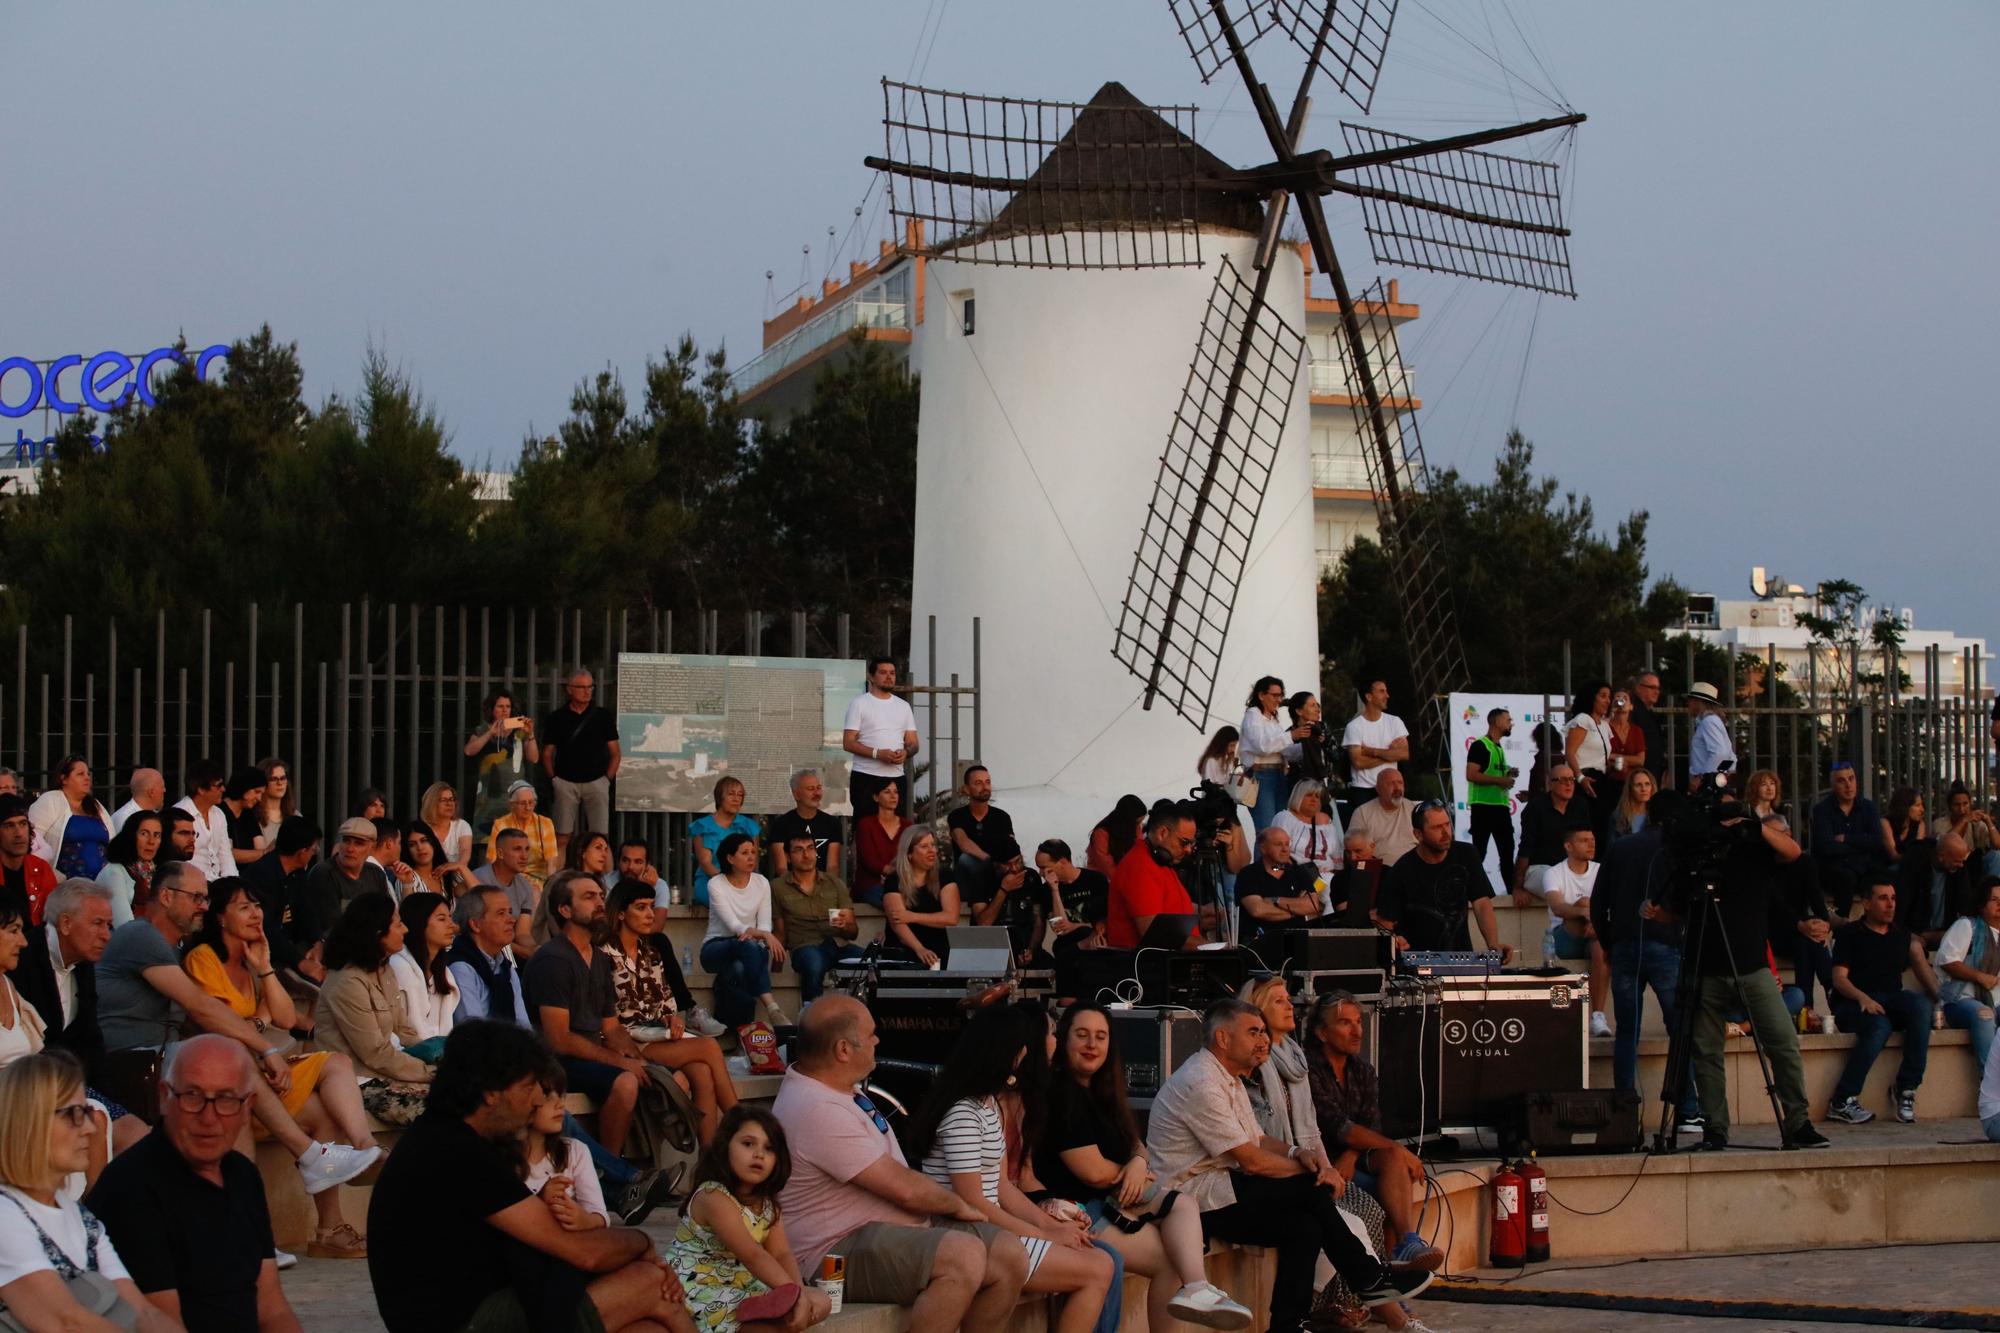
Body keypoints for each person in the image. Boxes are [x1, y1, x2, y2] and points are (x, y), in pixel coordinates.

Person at [365, 1020, 694, 1333]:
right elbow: (584, 1252)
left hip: (474, 1306)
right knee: (648, 1281)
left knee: (648, 1327)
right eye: (527, 1086)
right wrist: (643, 1243)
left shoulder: (449, 1138)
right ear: (491, 1092)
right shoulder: (454, 1150)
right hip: (460, 1323)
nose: (537, 1099)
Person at [96, 862, 383, 1214]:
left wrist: (263, 968)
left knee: (316, 1106)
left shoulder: (176, 948)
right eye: (196, 897)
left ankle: (320, 1224)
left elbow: (285, 1016)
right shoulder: (144, 937)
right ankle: (304, 1161)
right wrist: (264, 1046)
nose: (203, 904)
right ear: (166, 896)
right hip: (135, 1063)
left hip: (168, 1058)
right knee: (229, 1060)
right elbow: (200, 1007)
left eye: (205, 897)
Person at [1146, 999, 1429, 1333]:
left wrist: (1297, 1152)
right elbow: (1252, 1160)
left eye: (1264, 1032)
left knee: (1304, 1227)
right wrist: (1316, 1171)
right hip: (1191, 1202)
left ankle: (1289, 1324)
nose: (1263, 1040)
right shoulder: (1202, 1082)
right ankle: (1368, 1278)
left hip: (1219, 1189)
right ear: (1223, 1039)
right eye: (1253, 1032)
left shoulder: (1229, 1077)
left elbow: (1259, 1140)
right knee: (1311, 1191)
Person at [771, 994, 1027, 1331]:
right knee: (962, 1257)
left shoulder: (839, 1088)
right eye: (871, 1034)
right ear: (843, 1050)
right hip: (831, 1251)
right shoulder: (814, 1106)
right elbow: (904, 1188)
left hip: (887, 1230)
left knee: (1010, 1255)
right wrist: (958, 1205)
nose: (878, 1040)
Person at [181, 875, 381, 1258]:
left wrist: (266, 968)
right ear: (220, 918)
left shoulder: (252, 959)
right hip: (222, 1083)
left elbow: (286, 1018)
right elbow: (222, 1026)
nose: (256, 914)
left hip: (257, 1075)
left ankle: (357, 1165)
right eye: (244, 907)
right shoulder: (203, 959)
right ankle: (320, 1211)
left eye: (257, 905)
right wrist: (258, 1021)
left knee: (331, 1085)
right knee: (323, 1099)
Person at [1035, 1002, 1252, 1332]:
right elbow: (1092, 1172)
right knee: (1172, 1231)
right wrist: (1134, 1175)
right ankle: (1197, 1288)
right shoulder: (1062, 1095)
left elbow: (1136, 1143)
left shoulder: (1103, 1093)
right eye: (1082, 1035)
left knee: (1177, 1237)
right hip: (1077, 1209)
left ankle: (1196, 1288)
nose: (1092, 1045)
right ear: (1064, 1040)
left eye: (1100, 1037)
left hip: (1112, 1199)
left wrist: (1137, 1162)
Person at [908, 1008, 1114, 1333]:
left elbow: (1004, 1187)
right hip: (965, 1233)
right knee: (1097, 1268)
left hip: (990, 1227)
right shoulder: (963, 1112)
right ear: (1014, 1052)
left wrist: (1052, 1225)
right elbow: (972, 1202)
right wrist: (1045, 1234)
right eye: (1048, 1035)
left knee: (1101, 1260)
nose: (1051, 1043)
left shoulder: (988, 1104)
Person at [86, 1035, 305, 1331]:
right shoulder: (131, 1188)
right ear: (164, 1097)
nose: (209, 1117)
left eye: (226, 1099)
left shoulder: (242, 1175)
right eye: (193, 1096)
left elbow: (272, 1309)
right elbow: (162, 1321)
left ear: (247, 1107)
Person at [1666, 798, 1828, 1151]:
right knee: (1706, 1053)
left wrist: (1753, 827)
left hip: (1752, 967)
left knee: (1783, 1043)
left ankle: (1797, 1122)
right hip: (1704, 968)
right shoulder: (1694, 859)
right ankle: (1715, 1128)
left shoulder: (1754, 853)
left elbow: (1793, 852)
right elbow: (1673, 911)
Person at [0, 1051, 177, 1333]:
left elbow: (142, 1310)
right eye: (75, 1114)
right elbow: (66, 1323)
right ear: (30, 1121)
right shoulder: (5, 1216)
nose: (92, 1128)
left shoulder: (81, 1218)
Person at [1303, 992, 1444, 1273]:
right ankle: (1391, 1275)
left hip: (1351, 1160)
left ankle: (1406, 1244)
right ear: (1321, 1032)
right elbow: (1337, 1127)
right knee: (1394, 1165)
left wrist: (1353, 1155)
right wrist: (1398, 1149)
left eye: (1358, 1021)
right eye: (1345, 1023)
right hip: (1318, 1162)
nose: (1357, 1031)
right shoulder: (1308, 1069)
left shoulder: (1363, 1070)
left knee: (1393, 1163)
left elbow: (1370, 1126)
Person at [1589, 791, 1702, 1129]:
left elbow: (1598, 901)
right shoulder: (1676, 850)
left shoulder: (1621, 847)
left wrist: (1610, 941)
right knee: (1679, 1029)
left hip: (1624, 946)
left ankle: (1625, 1112)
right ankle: (1688, 1109)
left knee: (1627, 1032)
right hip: (1665, 945)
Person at [666, 1105, 833, 1333]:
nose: (759, 1154)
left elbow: (781, 1253)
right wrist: (793, 1296)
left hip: (742, 1283)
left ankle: (766, 1316)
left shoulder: (767, 1204)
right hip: (701, 1286)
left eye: (769, 1148)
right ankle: (761, 1321)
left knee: (821, 1301)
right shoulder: (713, 1196)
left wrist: (797, 1294)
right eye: (748, 1144)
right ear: (725, 1147)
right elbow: (752, 1254)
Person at [605, 879, 740, 1144]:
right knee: (710, 1048)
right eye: (640, 907)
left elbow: (665, 1003)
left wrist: (671, 1019)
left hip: (654, 1034)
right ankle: (740, 1123)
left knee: (702, 1072)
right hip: (625, 1043)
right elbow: (609, 1015)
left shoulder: (651, 952)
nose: (649, 914)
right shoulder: (604, 954)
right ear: (620, 913)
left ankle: (708, 1163)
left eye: (652, 907)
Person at [527, 872, 648, 1155]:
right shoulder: (553, 959)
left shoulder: (599, 957)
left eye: (601, 896)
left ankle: (644, 1167)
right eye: (589, 897)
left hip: (591, 1054)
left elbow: (613, 1027)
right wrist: (622, 1063)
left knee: (667, 1078)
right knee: (626, 1082)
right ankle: (610, 1172)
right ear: (565, 910)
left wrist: (639, 1059)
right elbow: (559, 1039)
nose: (600, 903)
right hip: (556, 1062)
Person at [1825, 877, 1942, 1126]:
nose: (1890, 904)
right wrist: (1863, 998)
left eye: (1893, 898)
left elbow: (1916, 966)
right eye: (1883, 898)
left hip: (1889, 999)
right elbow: (1839, 979)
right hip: (1853, 1001)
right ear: (1866, 904)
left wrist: (1941, 1000)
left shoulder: (1900, 935)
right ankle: (1841, 1100)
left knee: (1921, 1007)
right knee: (1880, 1026)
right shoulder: (1850, 934)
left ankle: (1906, 1089)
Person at [312, 894, 436, 1127]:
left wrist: (435, 1058)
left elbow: (404, 1031)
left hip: (389, 1071)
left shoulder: (383, 968)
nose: (406, 930)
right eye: (398, 924)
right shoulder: (347, 982)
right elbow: (374, 1054)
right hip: (362, 1082)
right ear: (378, 934)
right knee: (444, 1111)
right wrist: (429, 1072)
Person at [1376, 805, 1512, 961]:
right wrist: (1394, 941)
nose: (1446, 832)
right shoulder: (1402, 869)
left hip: (1461, 959)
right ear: (1418, 834)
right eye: (1437, 827)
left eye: (1447, 824)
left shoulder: (1467, 854)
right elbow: (1385, 921)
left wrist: (1493, 945)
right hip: (1415, 964)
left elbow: (1481, 903)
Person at [13, 879, 113, 1081]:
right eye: (98, 923)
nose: (107, 935)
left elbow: (91, 1041)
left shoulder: (82, 960)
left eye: (108, 925)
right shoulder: (21, 959)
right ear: (66, 923)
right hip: (27, 1085)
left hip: (69, 1084)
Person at [702, 834, 790, 1035]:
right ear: (730, 858)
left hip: (750, 946)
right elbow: (734, 925)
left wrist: (762, 935)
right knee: (747, 947)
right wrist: (765, 936)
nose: (751, 857)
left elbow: (765, 923)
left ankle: (739, 1035)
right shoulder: (716, 884)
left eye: (753, 852)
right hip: (716, 947)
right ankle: (771, 1007)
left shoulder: (761, 882)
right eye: (744, 853)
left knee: (739, 969)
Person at [516, 1066, 611, 1231]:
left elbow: (599, 1214)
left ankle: (673, 1257)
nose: (560, 1104)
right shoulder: (499, 1157)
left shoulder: (575, 1151)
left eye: (561, 1095)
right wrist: (540, 1200)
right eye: (547, 1096)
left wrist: (585, 1220)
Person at [542, 667, 622, 861]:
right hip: (565, 782)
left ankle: (603, 880)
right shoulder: (557, 718)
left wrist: (606, 780)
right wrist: (555, 780)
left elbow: (615, 753)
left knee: (601, 837)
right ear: (569, 689)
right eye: (581, 687)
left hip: (596, 781)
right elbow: (547, 753)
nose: (587, 691)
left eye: (590, 687)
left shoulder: (602, 716)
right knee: (562, 836)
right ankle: (556, 878)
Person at [771, 833, 860, 1002]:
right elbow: (779, 932)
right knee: (814, 963)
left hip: (838, 944)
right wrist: (775, 971)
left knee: (868, 961)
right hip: (805, 947)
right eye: (799, 850)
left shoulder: (834, 883)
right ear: (788, 857)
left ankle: (863, 1018)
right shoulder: (778, 887)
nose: (806, 855)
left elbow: (853, 931)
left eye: (811, 849)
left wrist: (845, 926)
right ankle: (811, 1019)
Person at [1542, 827, 1611, 1036]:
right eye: (1584, 840)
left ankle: (1597, 1016)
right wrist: (1587, 912)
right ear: (1568, 846)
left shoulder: (1602, 869)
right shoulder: (1553, 873)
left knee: (1600, 948)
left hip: (1596, 937)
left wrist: (1593, 917)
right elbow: (1558, 908)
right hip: (1565, 938)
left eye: (1592, 839)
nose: (1591, 844)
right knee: (1585, 901)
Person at [293, 818, 393, 957]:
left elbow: (388, 916)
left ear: (372, 847)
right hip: (332, 952)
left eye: (359, 843)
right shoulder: (323, 874)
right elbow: (333, 927)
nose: (350, 848)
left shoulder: (375, 874)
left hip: (370, 948)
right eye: (346, 840)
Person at [1106, 802, 1199, 952]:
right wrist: (1206, 947)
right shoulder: (1140, 865)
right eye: (1184, 842)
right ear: (1162, 833)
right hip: (1148, 967)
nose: (1188, 850)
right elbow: (1154, 933)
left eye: (1191, 843)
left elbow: (1170, 906)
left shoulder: (1161, 861)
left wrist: (1205, 912)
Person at [1933, 876, 2000, 1075]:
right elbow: (1947, 961)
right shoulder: (1967, 926)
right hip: (1960, 1002)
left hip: (1995, 1002)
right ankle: (1991, 1086)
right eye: (1994, 900)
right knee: (1985, 1016)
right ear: (1981, 904)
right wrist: (1979, 977)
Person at [1810, 761, 1891, 920]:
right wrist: (1861, 845)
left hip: (1863, 866)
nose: (1848, 785)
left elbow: (1876, 841)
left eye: (1851, 779)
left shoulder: (1868, 807)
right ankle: (1841, 925)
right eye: (1841, 781)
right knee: (1846, 878)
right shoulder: (1822, 810)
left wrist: (1846, 839)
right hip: (1834, 868)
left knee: (1889, 878)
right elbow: (1826, 847)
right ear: (1833, 785)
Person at [466, 688, 540, 856]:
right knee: (487, 845)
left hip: (515, 799)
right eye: (500, 706)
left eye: (508, 706)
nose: (505, 710)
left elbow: (534, 758)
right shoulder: (482, 729)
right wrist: (490, 733)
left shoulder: (519, 731)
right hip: (488, 798)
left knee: (515, 844)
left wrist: (530, 734)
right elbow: (469, 750)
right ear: (492, 709)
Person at [842, 656, 920, 814]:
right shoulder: (859, 703)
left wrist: (906, 752)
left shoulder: (903, 706)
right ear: (871, 676)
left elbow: (913, 743)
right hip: (866, 776)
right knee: (866, 826)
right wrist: (878, 754)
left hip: (896, 777)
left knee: (897, 828)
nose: (889, 676)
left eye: (892, 673)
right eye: (883, 672)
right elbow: (848, 742)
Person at [1235, 828, 1324, 967]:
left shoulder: (1299, 872)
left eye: (1287, 844)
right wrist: (1296, 910)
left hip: (1295, 947)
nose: (1285, 849)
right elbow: (1258, 910)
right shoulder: (1248, 874)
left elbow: (1312, 906)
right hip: (1259, 947)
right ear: (1263, 848)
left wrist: (1275, 900)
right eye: (1278, 844)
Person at [1513, 765, 1593, 905]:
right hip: (1541, 869)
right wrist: (1518, 887)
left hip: (1572, 870)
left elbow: (1586, 841)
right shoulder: (1536, 807)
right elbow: (1525, 848)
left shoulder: (1580, 805)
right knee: (1560, 885)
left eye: (1571, 780)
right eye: (1563, 780)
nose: (1568, 784)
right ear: (1551, 783)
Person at [28, 755, 115, 883]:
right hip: (64, 887)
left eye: (88, 774)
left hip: (102, 886)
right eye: (80, 774)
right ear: (64, 779)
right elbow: (31, 842)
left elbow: (113, 842)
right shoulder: (50, 800)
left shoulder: (96, 806)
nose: (87, 778)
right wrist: (55, 877)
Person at [881, 827, 961, 966]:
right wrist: (920, 949)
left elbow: (951, 918)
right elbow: (898, 923)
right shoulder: (894, 879)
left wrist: (913, 916)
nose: (932, 851)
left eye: (933, 845)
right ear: (909, 853)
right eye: (924, 846)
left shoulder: (945, 876)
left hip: (938, 951)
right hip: (903, 951)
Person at [390, 890, 460, 1044]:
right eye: (442, 919)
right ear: (419, 923)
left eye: (450, 918)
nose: (452, 926)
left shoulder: (445, 973)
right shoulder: (398, 966)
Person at [1238, 677, 1303, 830]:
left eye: (1280, 696)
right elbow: (1261, 745)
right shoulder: (1253, 715)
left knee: (1279, 828)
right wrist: (1292, 736)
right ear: (1261, 695)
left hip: (1278, 775)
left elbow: (1285, 751)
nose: (1279, 700)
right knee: (1266, 830)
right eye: (1275, 695)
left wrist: (1307, 745)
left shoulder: (1273, 720)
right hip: (1261, 776)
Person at [689, 777, 761, 909]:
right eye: (731, 794)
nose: (736, 798)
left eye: (740, 795)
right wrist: (728, 885)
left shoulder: (749, 826)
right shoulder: (703, 826)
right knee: (727, 901)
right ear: (719, 797)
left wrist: (739, 883)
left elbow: (752, 860)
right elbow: (706, 863)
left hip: (743, 880)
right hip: (711, 880)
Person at [947, 766, 1015, 900]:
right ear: (966, 789)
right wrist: (991, 862)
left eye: (987, 782)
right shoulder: (957, 816)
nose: (985, 786)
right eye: (978, 783)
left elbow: (1011, 848)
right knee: (966, 859)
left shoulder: (1002, 817)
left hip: (996, 877)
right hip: (968, 881)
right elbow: (963, 842)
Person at [1341, 680, 1410, 812]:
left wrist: (1372, 751)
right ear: (1369, 697)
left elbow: (1404, 754)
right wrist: (1390, 754)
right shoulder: (1354, 727)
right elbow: (1358, 762)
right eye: (1382, 691)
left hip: (1390, 789)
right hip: (1363, 790)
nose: (1387, 695)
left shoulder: (1395, 722)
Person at [475, 826, 542, 959]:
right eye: (517, 849)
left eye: (527, 849)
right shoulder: (479, 879)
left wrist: (537, 949)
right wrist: (526, 953)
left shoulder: (525, 886)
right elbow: (485, 933)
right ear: (500, 854)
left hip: (507, 951)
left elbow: (522, 933)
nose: (524, 856)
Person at [766, 770, 842, 879]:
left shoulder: (832, 823)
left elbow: (832, 866)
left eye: (818, 788)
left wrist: (827, 889)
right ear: (796, 795)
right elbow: (781, 868)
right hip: (790, 886)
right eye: (810, 789)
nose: (816, 793)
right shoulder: (781, 824)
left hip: (823, 886)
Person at [1034, 841, 1108, 952]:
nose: (1041, 873)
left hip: (1096, 941)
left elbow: (1107, 920)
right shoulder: (1045, 891)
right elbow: (1060, 928)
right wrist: (1054, 890)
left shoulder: (1095, 880)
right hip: (1069, 945)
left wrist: (1075, 926)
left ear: (1063, 862)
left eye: (1044, 867)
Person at [96, 810, 165, 928]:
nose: (151, 841)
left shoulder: (157, 873)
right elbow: (124, 926)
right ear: (131, 836)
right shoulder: (114, 873)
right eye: (144, 834)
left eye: (157, 835)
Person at [172, 761, 238, 883]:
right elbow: (180, 861)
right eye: (219, 785)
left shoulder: (219, 814)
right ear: (201, 789)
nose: (223, 789)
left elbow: (225, 856)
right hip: (193, 885)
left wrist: (233, 885)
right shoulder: (179, 813)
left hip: (219, 885)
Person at [0, 795, 58, 927]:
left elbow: (53, 920)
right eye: (9, 826)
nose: (19, 833)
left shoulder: (41, 868)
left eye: (23, 824)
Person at [1270, 779, 1342, 884]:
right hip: (1298, 875)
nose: (1314, 800)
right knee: (1327, 889)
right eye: (1309, 795)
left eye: (1317, 796)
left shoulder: (1326, 823)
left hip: (1326, 875)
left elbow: (1336, 856)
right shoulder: (1285, 818)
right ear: (1298, 797)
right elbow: (1277, 856)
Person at [1345, 767, 1418, 869]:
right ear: (1378, 789)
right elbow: (1353, 850)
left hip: (1414, 869)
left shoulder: (1413, 809)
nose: (1397, 788)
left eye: (1400, 783)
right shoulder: (1362, 813)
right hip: (1380, 873)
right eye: (1391, 784)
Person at [485, 780, 558, 882]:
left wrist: (550, 887)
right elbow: (491, 859)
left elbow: (552, 863)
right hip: (509, 879)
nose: (528, 807)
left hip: (537, 879)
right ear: (512, 805)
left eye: (531, 802)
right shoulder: (500, 824)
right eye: (523, 803)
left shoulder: (545, 823)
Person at [851, 779, 904, 906]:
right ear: (876, 797)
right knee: (895, 903)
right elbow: (869, 861)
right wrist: (893, 873)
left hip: (901, 882)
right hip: (872, 884)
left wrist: (898, 876)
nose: (893, 796)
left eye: (896, 792)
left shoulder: (907, 825)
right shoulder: (866, 825)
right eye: (887, 792)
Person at [1682, 683, 1735, 791]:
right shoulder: (1714, 721)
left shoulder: (1708, 722)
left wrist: (1703, 778)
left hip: (1707, 783)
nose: (1688, 703)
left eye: (1690, 700)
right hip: (1714, 781)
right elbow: (1730, 756)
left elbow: (1720, 753)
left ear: (1698, 702)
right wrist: (1722, 773)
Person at [220, 768, 270, 869]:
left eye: (261, 793)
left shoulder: (248, 814)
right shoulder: (220, 812)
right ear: (244, 787)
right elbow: (229, 853)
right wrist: (265, 852)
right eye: (256, 792)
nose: (259, 798)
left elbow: (260, 845)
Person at [1283, 693, 1335, 790]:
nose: (1317, 709)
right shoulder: (1289, 735)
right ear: (1299, 711)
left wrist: (1324, 743)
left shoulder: (1323, 728)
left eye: (1317, 705)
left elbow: (1336, 756)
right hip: (1299, 789)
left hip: (1325, 788)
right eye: (1312, 705)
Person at [1087, 796, 1147, 879]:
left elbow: (1139, 852)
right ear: (1126, 821)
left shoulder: (1134, 828)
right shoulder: (1101, 834)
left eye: (1141, 822)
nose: (1139, 826)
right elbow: (1107, 867)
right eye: (1137, 823)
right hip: (1101, 880)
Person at [403, 822, 463, 901]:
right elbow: (407, 910)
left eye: (424, 840)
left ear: (433, 843)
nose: (420, 848)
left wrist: (462, 867)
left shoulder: (447, 873)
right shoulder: (406, 877)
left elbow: (480, 898)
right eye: (412, 845)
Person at [1625, 671, 1667, 781]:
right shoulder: (1631, 711)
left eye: (1658, 688)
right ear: (1639, 688)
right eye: (1652, 687)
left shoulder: (1648, 713)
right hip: (1638, 775)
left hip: (1649, 773)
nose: (1657, 692)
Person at [109, 768, 168, 839]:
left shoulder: (156, 816)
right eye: (162, 787)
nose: (164, 790)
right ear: (152, 792)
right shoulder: (124, 818)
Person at [253, 758, 295, 852]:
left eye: (283, 778)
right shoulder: (251, 816)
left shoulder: (295, 816)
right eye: (273, 779)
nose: (279, 783)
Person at [1611, 768, 1657, 840]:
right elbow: (1613, 847)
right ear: (1630, 789)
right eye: (1638, 785)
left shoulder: (1657, 816)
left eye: (1647, 784)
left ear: (1652, 787)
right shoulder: (1619, 816)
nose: (1643, 789)